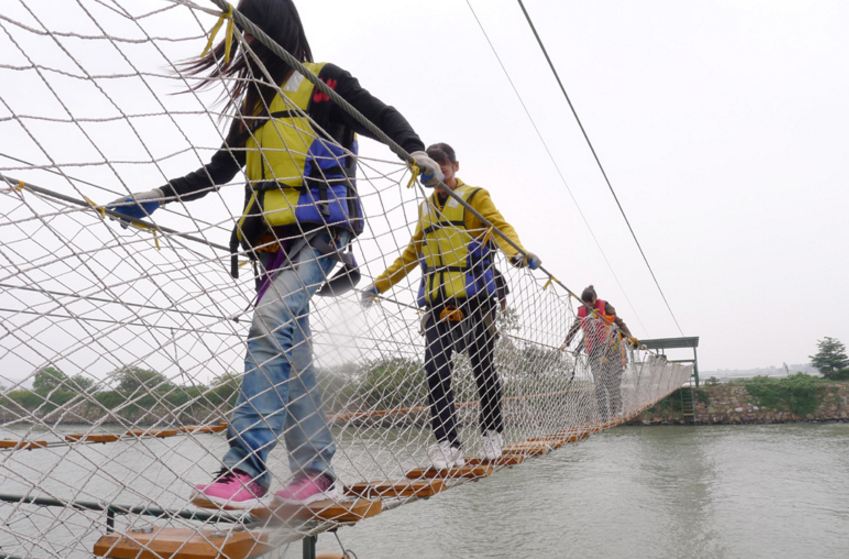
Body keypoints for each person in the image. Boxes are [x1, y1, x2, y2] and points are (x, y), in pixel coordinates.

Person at [106, 0, 442, 509]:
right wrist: (156, 197)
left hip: (322, 234)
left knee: (269, 323)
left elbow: (378, 114)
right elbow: (216, 173)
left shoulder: (323, 81)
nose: (244, 45)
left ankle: (246, 469)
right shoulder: (253, 107)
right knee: (294, 354)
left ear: (272, 31)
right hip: (271, 248)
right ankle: (316, 472)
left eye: (251, 33)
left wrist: (411, 149)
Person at [362, 143, 540, 468]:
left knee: (482, 369)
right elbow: (411, 254)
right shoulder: (425, 209)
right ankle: (447, 443)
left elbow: (500, 227)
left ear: (454, 167)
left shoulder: (474, 197)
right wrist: (378, 286)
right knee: (435, 371)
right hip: (438, 304)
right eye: (432, 168)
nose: (438, 175)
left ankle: (491, 433)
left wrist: (516, 253)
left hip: (475, 302)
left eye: (443, 168)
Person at [562, 285, 638, 421]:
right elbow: (574, 327)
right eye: (585, 303)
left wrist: (629, 336)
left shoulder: (605, 306)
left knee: (612, 382)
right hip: (594, 351)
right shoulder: (582, 312)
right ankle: (604, 416)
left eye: (590, 303)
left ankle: (616, 412)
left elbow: (619, 322)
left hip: (610, 349)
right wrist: (566, 342)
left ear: (594, 299)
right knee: (598, 382)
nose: (588, 306)